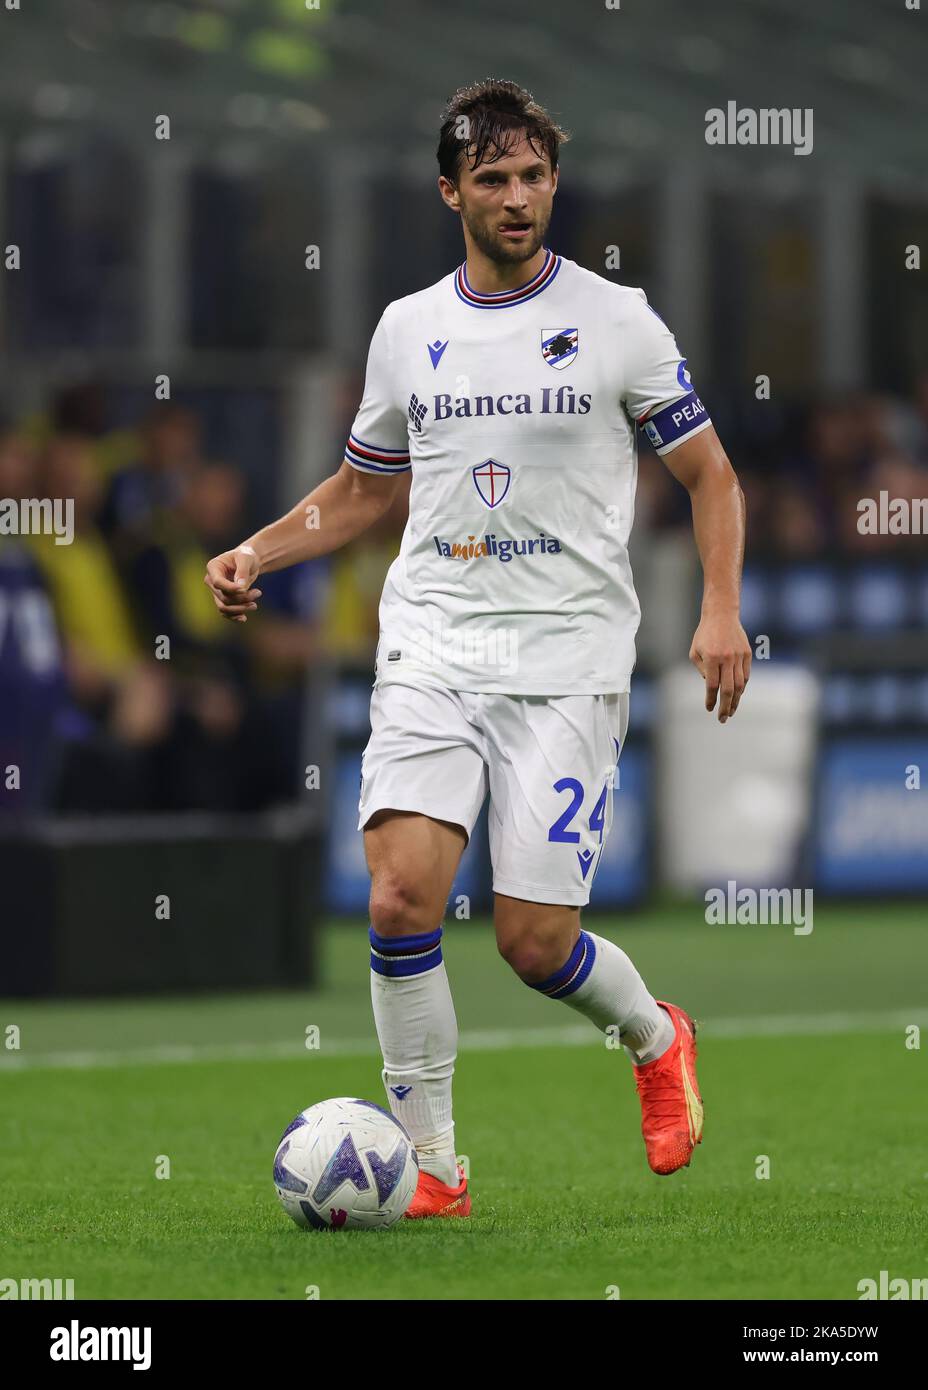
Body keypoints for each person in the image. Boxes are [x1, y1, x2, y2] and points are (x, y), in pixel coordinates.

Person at [206, 80, 751, 1217]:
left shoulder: (618, 319)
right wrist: (257, 551)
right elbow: (364, 490)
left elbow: (709, 474)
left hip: (566, 662)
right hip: (433, 646)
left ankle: (655, 1035)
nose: (517, 197)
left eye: (533, 176)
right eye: (492, 179)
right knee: (402, 898)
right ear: (450, 190)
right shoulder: (409, 329)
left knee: (533, 940)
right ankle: (436, 1167)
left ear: (553, 183)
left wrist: (717, 607)